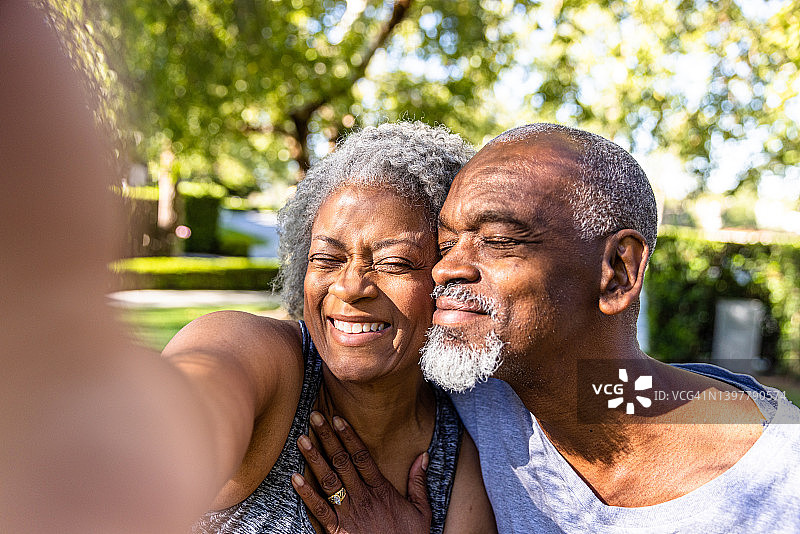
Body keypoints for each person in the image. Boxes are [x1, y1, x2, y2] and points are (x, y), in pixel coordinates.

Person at [300, 123, 800, 533]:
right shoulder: (477, 391)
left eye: (497, 240)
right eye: (447, 242)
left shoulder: (779, 490)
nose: (445, 269)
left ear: (617, 273)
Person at [170, 121, 496, 534]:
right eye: (327, 258)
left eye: (394, 263)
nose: (350, 286)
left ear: (448, 277)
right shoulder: (259, 355)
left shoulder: (461, 446)